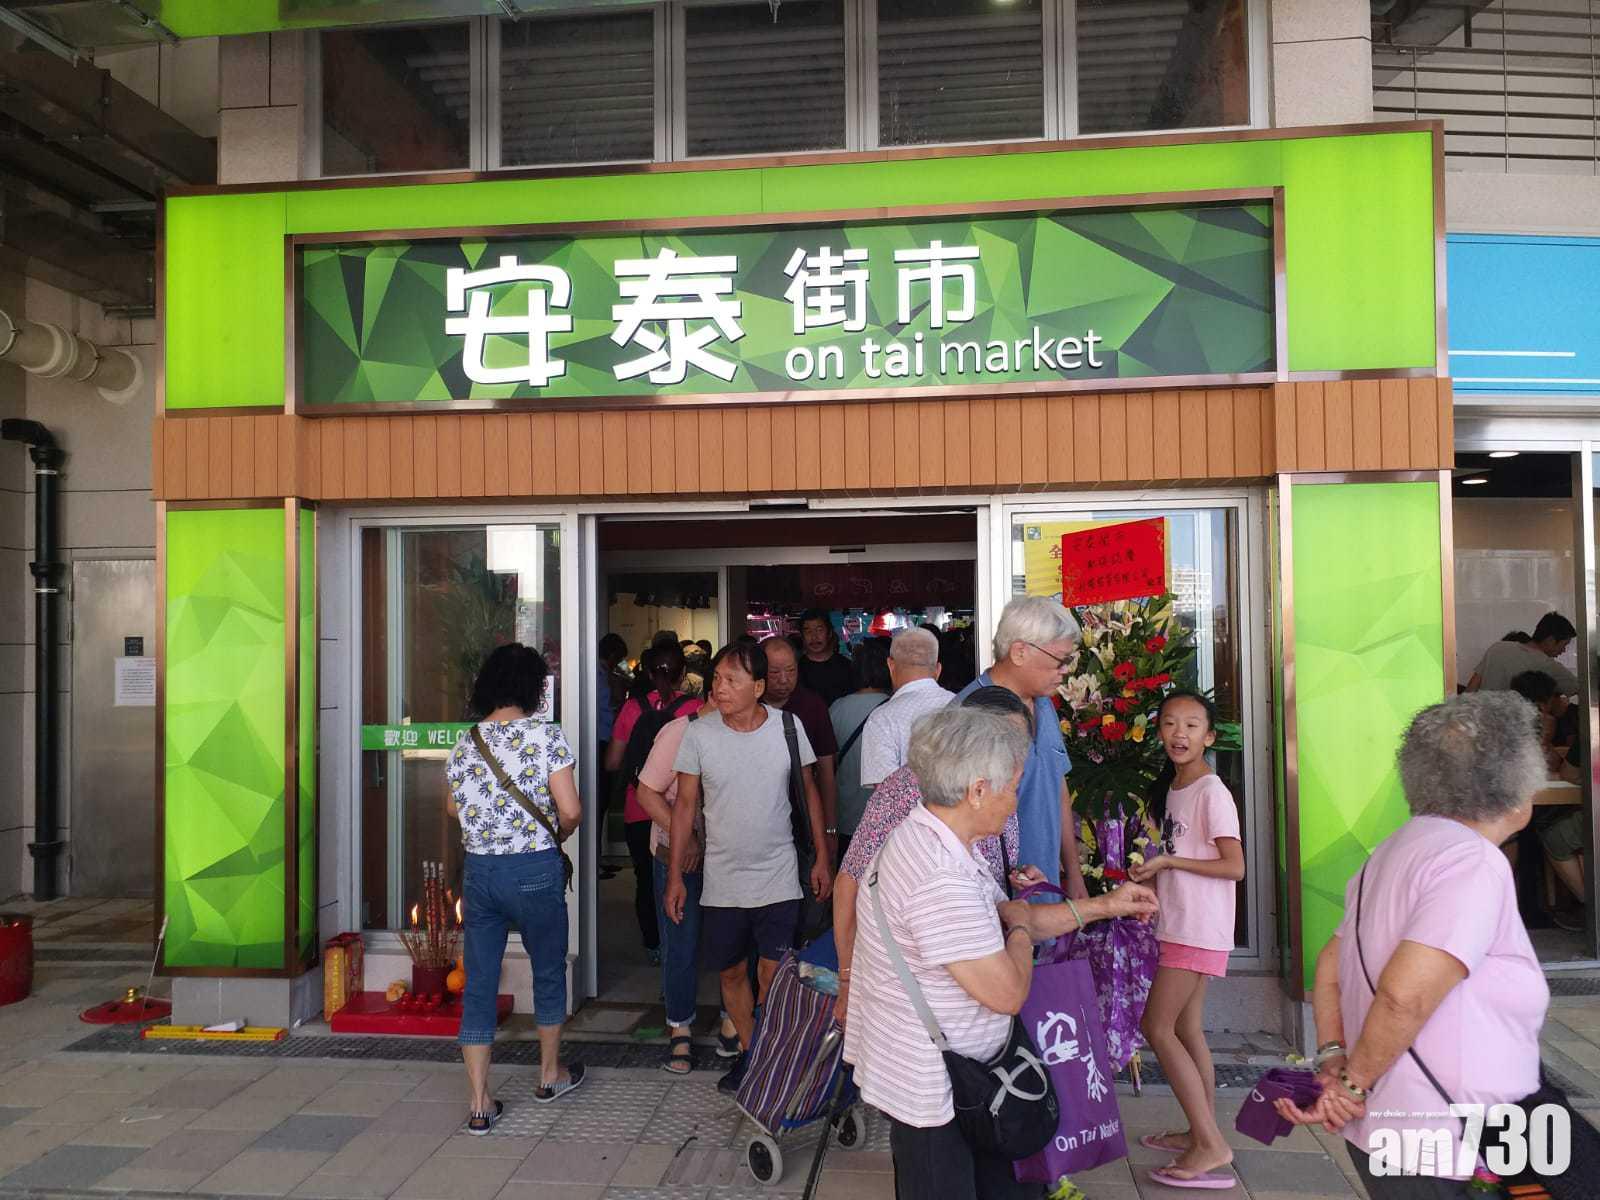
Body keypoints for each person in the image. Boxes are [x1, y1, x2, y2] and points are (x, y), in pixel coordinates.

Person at [845, 707, 1156, 1200]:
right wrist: (1020, 930)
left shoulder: (935, 837)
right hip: (938, 1090)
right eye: (1012, 788)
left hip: (971, 1078)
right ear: (977, 791)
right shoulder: (938, 878)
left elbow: (1010, 917)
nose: (1015, 803)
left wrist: (1105, 906)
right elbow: (1008, 990)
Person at [1275, 693, 1550, 1196]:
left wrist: (1335, 1058)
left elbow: (1330, 965)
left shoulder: (1394, 849)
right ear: (1513, 784)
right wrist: (1351, 1086)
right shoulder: (1473, 863)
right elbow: (1405, 994)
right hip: (1446, 1141)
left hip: (1391, 1132)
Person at [664, 641, 833, 1094]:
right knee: (732, 973)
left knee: (772, 975)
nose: (719, 688)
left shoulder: (788, 728)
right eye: (717, 678)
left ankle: (772, 1054)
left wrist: (822, 856)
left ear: (757, 687)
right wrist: (676, 876)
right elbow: (684, 807)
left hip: (779, 874)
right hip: (722, 880)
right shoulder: (699, 734)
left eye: (731, 680)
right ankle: (752, 1053)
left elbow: (810, 792)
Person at [447, 644, 584, 1131]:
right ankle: (549, 1075)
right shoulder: (545, 736)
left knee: (480, 981)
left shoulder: (468, 741)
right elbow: (571, 810)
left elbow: (452, 807)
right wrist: (556, 834)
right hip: (534, 869)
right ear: (532, 688)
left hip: (481, 872)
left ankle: (480, 1102)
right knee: (547, 969)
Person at [1127, 691, 1245, 1188]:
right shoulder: (1175, 787)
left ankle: (1210, 1143)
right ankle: (1201, 1133)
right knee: (1187, 1029)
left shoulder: (1211, 791)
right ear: (1159, 732)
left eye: (1192, 726)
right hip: (1181, 922)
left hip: (1198, 927)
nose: (1180, 733)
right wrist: (1151, 883)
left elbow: (1234, 866)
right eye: (1171, 724)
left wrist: (1169, 861)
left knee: (1157, 1027)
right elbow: (1180, 855)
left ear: (1209, 737)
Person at [954, 595, 1089, 899]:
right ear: (1019, 652)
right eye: (1061, 660)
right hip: (993, 900)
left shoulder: (1043, 703)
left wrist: (1073, 873)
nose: (1065, 670)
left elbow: (1056, 787)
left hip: (1046, 888)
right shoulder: (969, 715)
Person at [634, 682, 716, 1075]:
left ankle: (733, 1022)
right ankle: (680, 1027)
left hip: (729, 859)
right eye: (724, 682)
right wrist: (687, 840)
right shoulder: (679, 732)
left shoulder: (750, 732)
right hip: (678, 856)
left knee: (730, 941)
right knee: (681, 942)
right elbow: (646, 793)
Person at [604, 644, 703, 967]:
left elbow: (612, 761)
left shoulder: (632, 708)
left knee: (646, 881)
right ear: (683, 673)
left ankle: (654, 946)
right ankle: (685, 948)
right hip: (684, 812)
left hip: (639, 809)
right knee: (688, 882)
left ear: (647, 673)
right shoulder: (697, 709)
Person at [1508, 670, 1586, 927]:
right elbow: (1555, 763)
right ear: (1545, 699)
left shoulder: (1503, 722)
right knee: (1548, 830)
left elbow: (1560, 767)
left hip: (1511, 806)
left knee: (1550, 832)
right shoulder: (1544, 721)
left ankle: (1581, 904)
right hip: (1524, 807)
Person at [760, 636, 842, 865]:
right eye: (774, 673)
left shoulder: (812, 706)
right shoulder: (748, 707)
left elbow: (826, 772)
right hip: (762, 823)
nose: (784, 680)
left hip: (805, 821)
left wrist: (830, 829)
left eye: (791, 671)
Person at [858, 626, 954, 789]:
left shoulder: (881, 720)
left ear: (890, 665)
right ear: (938, 669)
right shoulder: (965, 707)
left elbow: (886, 795)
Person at [828, 637, 892, 866]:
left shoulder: (837, 708)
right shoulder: (894, 707)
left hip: (845, 816)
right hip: (884, 820)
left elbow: (827, 763)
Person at [1466, 611, 1579, 694]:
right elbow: (1578, 689)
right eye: (1564, 645)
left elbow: (1471, 690)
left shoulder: (1497, 648)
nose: (1564, 650)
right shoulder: (1548, 666)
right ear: (1550, 640)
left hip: (1482, 716)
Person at [595, 633, 629, 881]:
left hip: (604, 739)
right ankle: (593, 860)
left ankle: (596, 857)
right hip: (598, 740)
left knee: (602, 803)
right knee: (598, 803)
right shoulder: (595, 674)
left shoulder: (605, 674)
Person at [799, 608, 855, 706]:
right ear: (802, 636)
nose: (814, 637)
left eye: (819, 630)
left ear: (829, 633)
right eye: (808, 631)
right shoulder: (796, 669)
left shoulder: (847, 666)